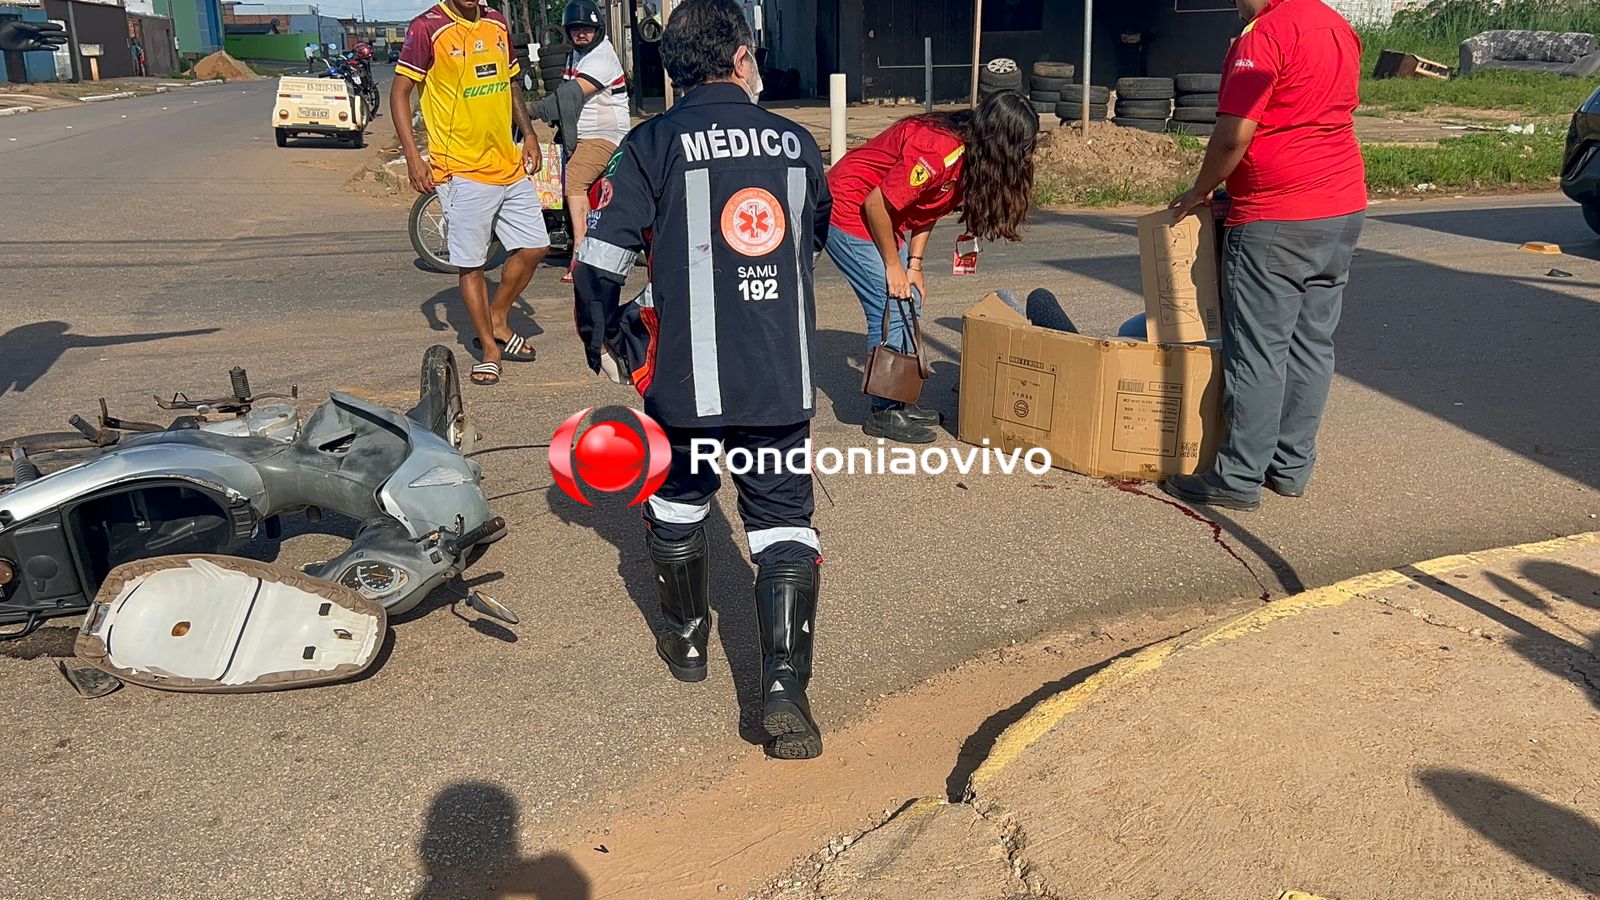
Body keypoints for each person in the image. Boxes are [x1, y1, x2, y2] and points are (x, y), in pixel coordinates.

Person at [571, 0, 832, 760]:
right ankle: (784, 688)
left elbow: (599, 260)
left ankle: (687, 640)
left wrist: (601, 333)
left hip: (684, 383)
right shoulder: (795, 142)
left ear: (668, 69)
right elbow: (810, 235)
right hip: (782, 377)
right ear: (743, 58)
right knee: (783, 521)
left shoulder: (649, 142)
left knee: (679, 499)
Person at [1163, 0, 1367, 511]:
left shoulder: (1265, 34)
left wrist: (1200, 190)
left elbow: (1234, 134)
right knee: (1312, 343)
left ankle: (1238, 476)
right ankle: (1291, 467)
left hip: (1278, 216)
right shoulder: (1336, 25)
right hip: (1341, 207)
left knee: (1257, 351)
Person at [824, 92, 1039, 444]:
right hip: (850, 208)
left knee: (911, 300)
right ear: (1002, 141)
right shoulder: (939, 149)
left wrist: (914, 265)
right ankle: (885, 412)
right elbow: (875, 202)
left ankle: (901, 399)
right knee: (888, 300)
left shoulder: (973, 156)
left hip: (885, 214)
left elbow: (927, 208)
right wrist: (893, 267)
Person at [391, 0, 551, 387]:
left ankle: (498, 316)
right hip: (459, 169)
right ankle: (490, 348)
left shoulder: (496, 22)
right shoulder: (425, 27)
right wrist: (414, 158)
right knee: (473, 263)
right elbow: (400, 93)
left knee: (535, 246)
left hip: (508, 161)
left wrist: (529, 134)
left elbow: (511, 81)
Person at [537, 0, 632, 285]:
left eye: (587, 29)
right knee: (545, 169)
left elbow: (569, 96)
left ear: (598, 30)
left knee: (574, 180)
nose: (581, 34)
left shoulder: (602, 57)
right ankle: (558, 235)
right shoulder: (575, 56)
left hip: (605, 136)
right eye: (576, 28)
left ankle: (581, 253)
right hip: (581, 134)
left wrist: (531, 110)